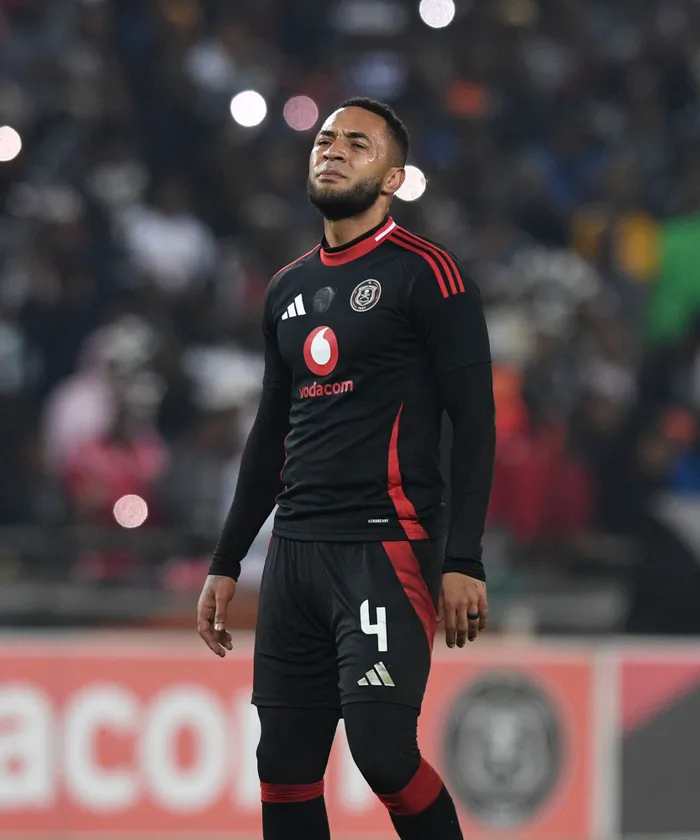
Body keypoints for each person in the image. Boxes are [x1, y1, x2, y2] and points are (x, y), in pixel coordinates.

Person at [197, 98, 495, 840]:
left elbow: (475, 422)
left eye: (357, 144)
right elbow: (271, 435)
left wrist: (464, 558)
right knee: (282, 765)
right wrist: (227, 558)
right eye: (325, 139)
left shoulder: (429, 275)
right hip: (295, 550)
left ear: (393, 177)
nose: (332, 150)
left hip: (385, 546)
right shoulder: (286, 288)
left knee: (383, 753)